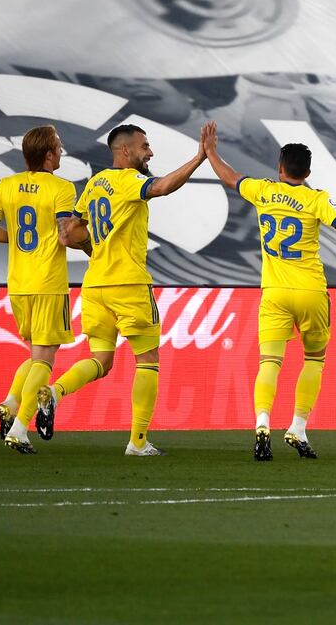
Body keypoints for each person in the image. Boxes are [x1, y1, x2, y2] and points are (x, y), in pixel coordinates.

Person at [204, 124, 336, 460]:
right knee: (314, 359)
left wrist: (210, 152)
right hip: (310, 292)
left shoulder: (263, 190)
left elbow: (231, 177)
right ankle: (297, 428)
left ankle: (262, 423)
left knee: (270, 362)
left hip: (274, 292)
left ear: (280, 168)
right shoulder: (315, 198)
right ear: (308, 171)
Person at [35, 122, 214, 456]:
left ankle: (55, 392)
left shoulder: (93, 184)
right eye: (145, 146)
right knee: (148, 361)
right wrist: (199, 157)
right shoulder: (130, 181)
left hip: (95, 285)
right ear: (125, 150)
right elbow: (161, 187)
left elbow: (72, 232)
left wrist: (92, 248)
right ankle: (138, 442)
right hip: (129, 284)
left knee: (101, 360)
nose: (150, 152)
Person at [0, 125, 89, 453]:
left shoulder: (6, 185)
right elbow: (66, 235)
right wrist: (92, 245)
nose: (62, 152)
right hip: (48, 284)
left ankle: (10, 404)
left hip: (19, 284)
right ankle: (20, 428)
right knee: (45, 360)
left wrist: (23, 237)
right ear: (49, 154)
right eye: (58, 147)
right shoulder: (62, 188)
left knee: (35, 355)